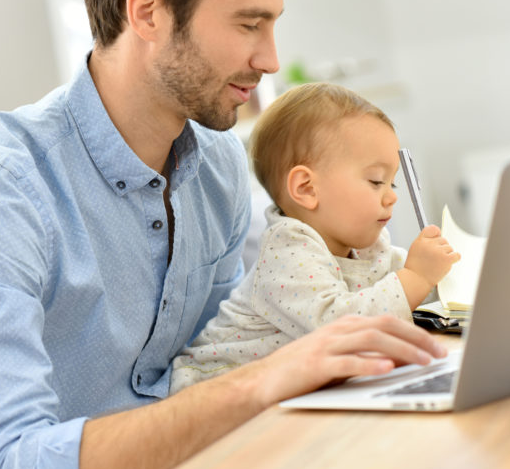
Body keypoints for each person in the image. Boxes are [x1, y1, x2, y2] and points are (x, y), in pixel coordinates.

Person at [0, 0, 448, 469]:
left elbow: (237, 337)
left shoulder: (215, 165)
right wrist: (264, 381)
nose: (271, 60)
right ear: (147, 13)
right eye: (249, 25)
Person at [170, 83, 460, 391]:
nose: (391, 198)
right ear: (307, 189)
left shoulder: (367, 246)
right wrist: (416, 275)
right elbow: (339, 328)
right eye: (376, 181)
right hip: (214, 387)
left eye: (393, 184)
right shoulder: (286, 251)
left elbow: (426, 289)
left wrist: (448, 276)